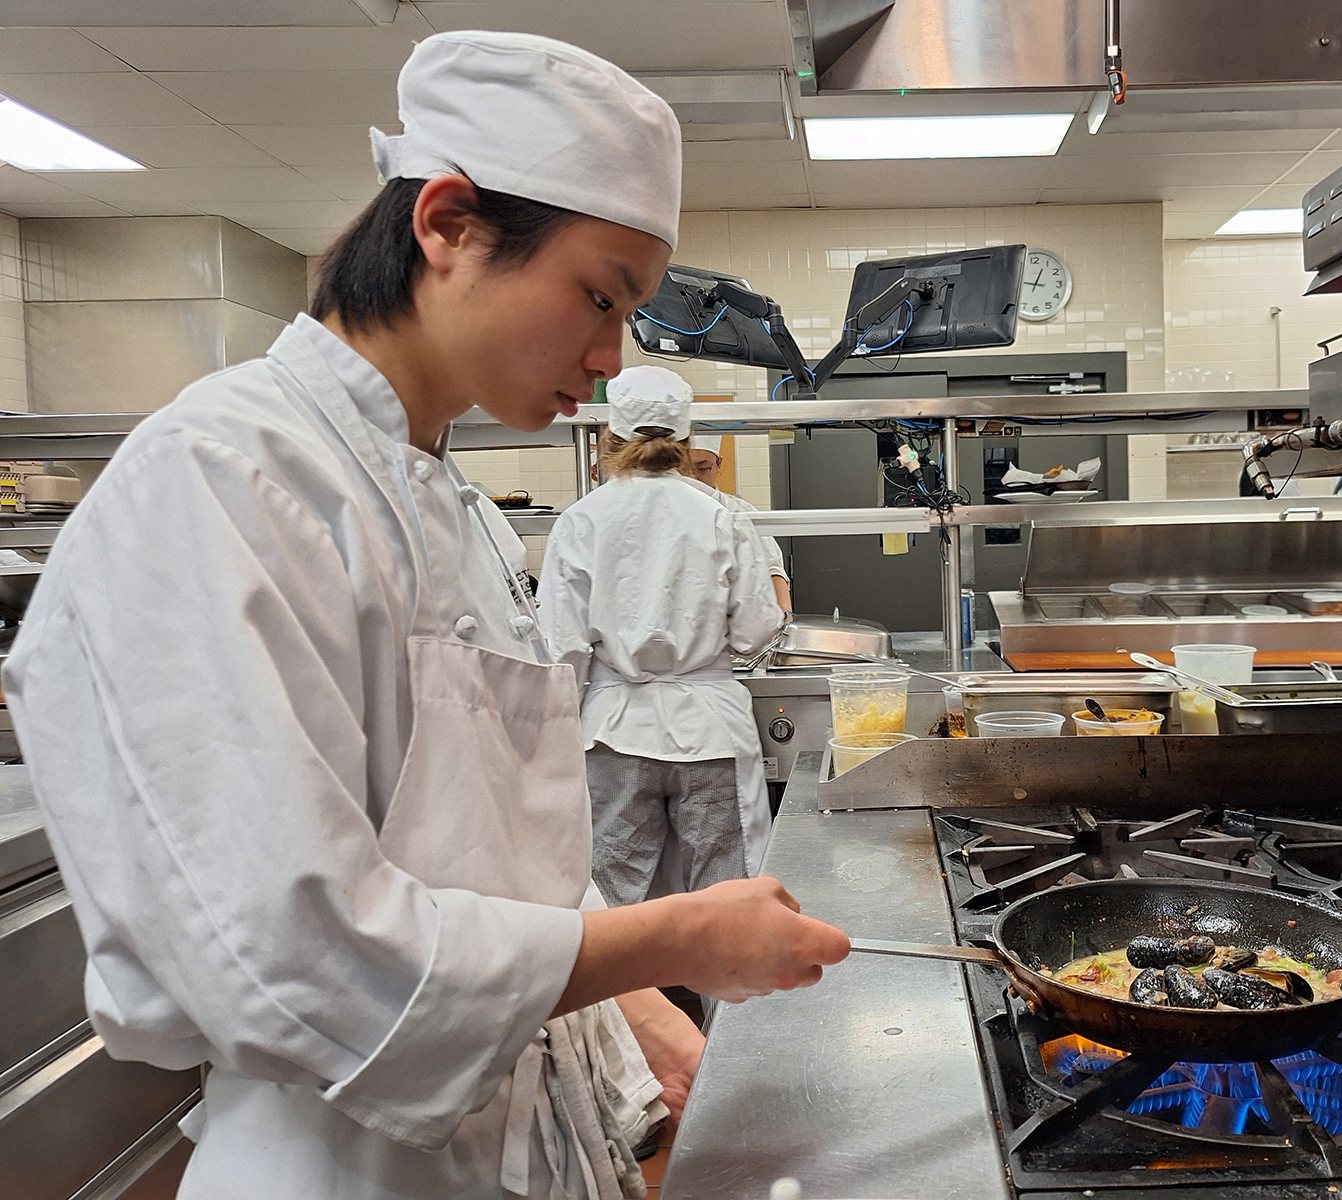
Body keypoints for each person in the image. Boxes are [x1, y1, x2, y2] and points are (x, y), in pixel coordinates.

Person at [2, 31, 847, 1200]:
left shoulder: (458, 506)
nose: (608, 362)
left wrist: (643, 1012)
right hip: (346, 1166)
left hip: (520, 1142)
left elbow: (509, 859)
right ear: (446, 223)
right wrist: (676, 939)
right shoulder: (219, 480)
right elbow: (290, 958)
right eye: (599, 297)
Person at [538, 368, 784, 910]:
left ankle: (623, 998)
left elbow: (561, 650)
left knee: (610, 900)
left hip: (612, 731)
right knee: (730, 900)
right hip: (710, 730)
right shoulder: (721, 517)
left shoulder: (582, 520)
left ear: (610, 441)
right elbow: (756, 629)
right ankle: (730, 996)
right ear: (686, 441)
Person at [686, 433, 793, 616]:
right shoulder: (667, 512)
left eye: (702, 468)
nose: (693, 478)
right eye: (685, 469)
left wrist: (786, 619)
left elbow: (773, 571)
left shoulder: (741, 512)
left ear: (718, 464)